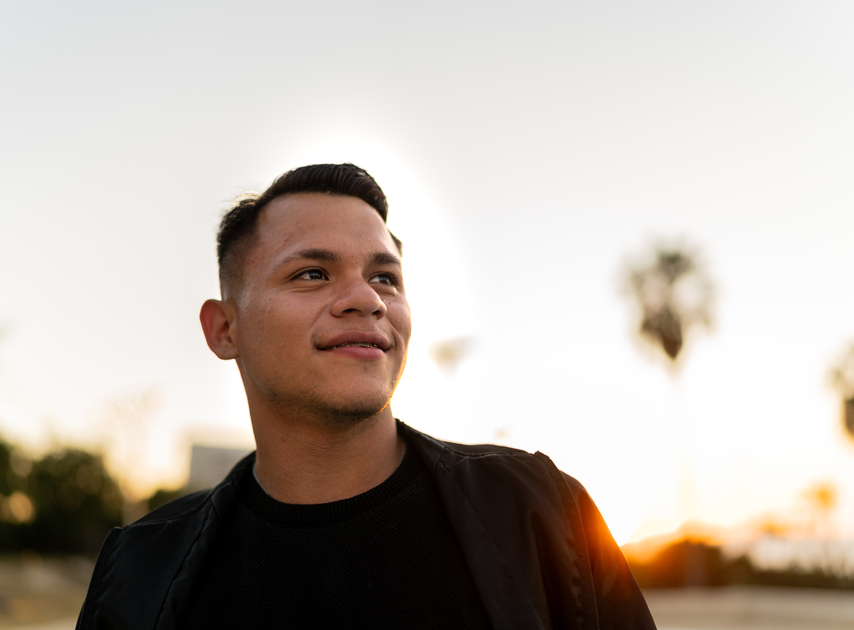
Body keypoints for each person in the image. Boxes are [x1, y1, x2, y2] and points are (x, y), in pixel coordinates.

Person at [76, 163, 656, 630]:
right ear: (224, 330)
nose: (367, 299)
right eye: (312, 274)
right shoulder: (139, 568)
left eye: (385, 277)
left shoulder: (542, 510)